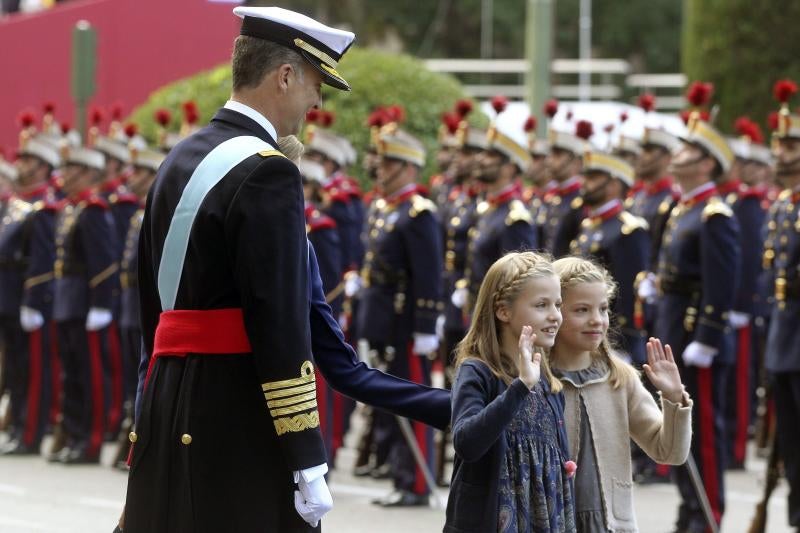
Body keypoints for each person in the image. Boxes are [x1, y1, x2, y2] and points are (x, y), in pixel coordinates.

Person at [122, 7, 450, 533]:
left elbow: (151, 313)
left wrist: (147, 409)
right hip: (239, 412)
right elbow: (279, 322)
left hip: (169, 401)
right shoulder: (267, 171)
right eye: (316, 83)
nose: (317, 102)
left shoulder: (179, 157)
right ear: (285, 74)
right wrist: (305, 451)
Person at [549, 256, 692, 532]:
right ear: (554, 311)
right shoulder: (535, 379)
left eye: (603, 309)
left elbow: (669, 451)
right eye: (581, 310)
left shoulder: (619, 377)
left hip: (610, 524)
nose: (596, 320)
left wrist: (674, 398)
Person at [654, 90, 740, 532]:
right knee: (678, 426)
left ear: (707, 163)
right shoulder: (681, 209)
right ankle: (690, 507)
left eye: (688, 150)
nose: (678, 155)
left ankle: (708, 516)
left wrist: (707, 337)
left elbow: (722, 285)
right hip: (674, 330)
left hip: (695, 339)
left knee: (703, 431)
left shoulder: (714, 215)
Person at [447, 251, 574, 533]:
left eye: (558, 305)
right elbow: (467, 443)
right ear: (503, 310)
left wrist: (563, 464)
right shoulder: (477, 371)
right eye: (542, 305)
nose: (555, 316)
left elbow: (555, 452)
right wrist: (519, 388)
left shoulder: (548, 383)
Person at [355, 127, 443, 506]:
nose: (380, 168)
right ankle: (400, 475)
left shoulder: (419, 213)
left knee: (413, 400)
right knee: (390, 404)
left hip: (406, 323)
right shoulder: (384, 209)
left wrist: (426, 326)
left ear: (409, 168)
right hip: (383, 321)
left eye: (390, 162)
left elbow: (428, 274)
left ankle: (417, 483)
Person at [763, 79, 800, 530]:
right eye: (781, 145)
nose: (783, 154)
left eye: (792, 146)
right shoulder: (783, 206)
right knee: (791, 439)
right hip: (783, 338)